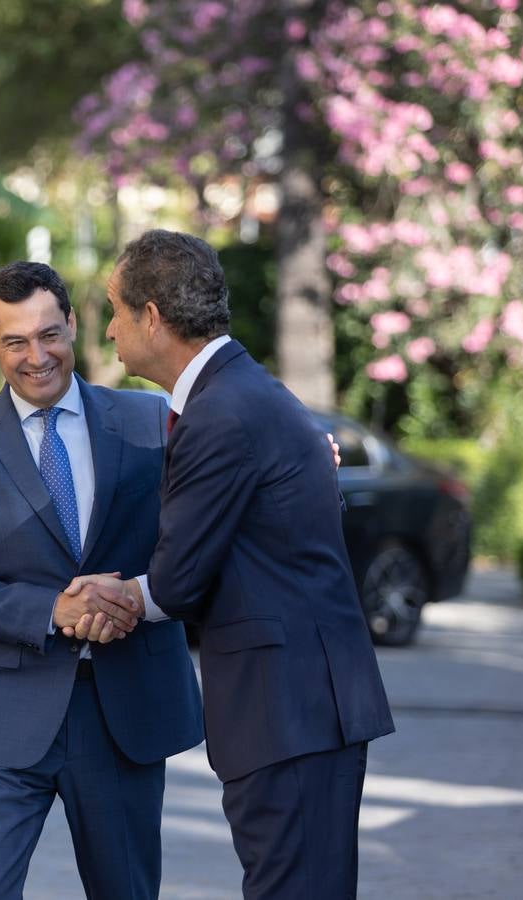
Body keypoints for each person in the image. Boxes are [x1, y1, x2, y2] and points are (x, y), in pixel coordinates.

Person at [82, 229, 395, 899]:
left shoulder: (223, 412)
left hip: (290, 711)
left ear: (153, 318)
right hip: (303, 708)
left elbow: (177, 580)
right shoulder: (244, 394)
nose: (108, 330)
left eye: (113, 309)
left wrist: (110, 595)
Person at [0, 261, 205, 899]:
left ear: (74, 324)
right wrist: (54, 609)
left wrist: (304, 453)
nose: (37, 356)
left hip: (125, 710)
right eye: (16, 341)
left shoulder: (150, 422)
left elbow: (199, 531)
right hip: (8, 715)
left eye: (50, 334)